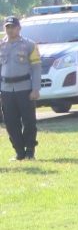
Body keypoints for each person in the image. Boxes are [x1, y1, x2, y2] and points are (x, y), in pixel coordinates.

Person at [1, 16, 41, 160]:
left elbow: (36, 68)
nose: (10, 30)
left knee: (29, 121)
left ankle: (30, 151)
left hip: (24, 88)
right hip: (6, 89)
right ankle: (19, 152)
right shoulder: (1, 45)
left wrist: (36, 88)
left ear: (19, 28)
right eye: (7, 27)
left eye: (13, 27)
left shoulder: (29, 45)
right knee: (11, 123)